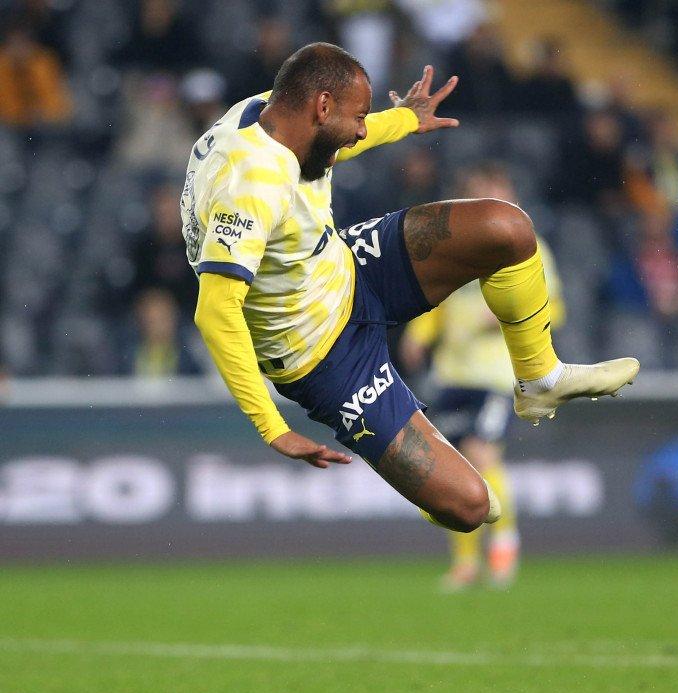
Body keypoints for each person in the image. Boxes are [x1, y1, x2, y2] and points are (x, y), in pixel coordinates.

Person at [182, 43, 638, 533]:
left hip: (350, 267)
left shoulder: (271, 110)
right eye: (359, 116)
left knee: (507, 229)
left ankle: (540, 381)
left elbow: (337, 141)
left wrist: (402, 121)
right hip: (321, 356)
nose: (362, 126)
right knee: (470, 508)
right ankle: (421, 476)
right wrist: (273, 428)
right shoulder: (250, 184)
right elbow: (216, 311)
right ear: (322, 105)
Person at [402, 163, 563, 589]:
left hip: (495, 374)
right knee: (450, 472)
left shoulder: (527, 246)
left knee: (483, 455)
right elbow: (439, 302)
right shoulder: (457, 248)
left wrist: (511, 314)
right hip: (452, 373)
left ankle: (505, 541)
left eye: (494, 189)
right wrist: (419, 335)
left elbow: (554, 307)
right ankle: (465, 563)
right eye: (478, 191)